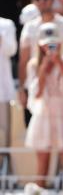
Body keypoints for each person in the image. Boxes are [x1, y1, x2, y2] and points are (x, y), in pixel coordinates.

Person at [25, 22, 63, 193]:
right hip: (44, 115)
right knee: (42, 165)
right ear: (40, 45)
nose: (50, 46)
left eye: (54, 43)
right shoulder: (33, 64)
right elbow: (37, 93)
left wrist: (59, 64)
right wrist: (43, 69)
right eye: (47, 43)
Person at [18, 0, 63, 126]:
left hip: (62, 87)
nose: (41, 1)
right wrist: (22, 89)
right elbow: (23, 60)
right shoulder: (29, 27)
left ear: (52, 0)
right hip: (38, 85)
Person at [0, 17, 17, 148]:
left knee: (4, 134)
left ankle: (3, 166)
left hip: (2, 90)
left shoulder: (6, 24)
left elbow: (11, 50)